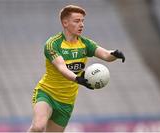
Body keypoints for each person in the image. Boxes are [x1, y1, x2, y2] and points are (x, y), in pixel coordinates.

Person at [28, 4, 125, 132]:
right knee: (38, 127)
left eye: (82, 21)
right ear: (65, 23)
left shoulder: (85, 44)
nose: (81, 25)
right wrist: (77, 79)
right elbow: (62, 68)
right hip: (47, 93)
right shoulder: (53, 44)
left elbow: (106, 55)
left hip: (66, 102)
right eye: (77, 21)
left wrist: (115, 54)